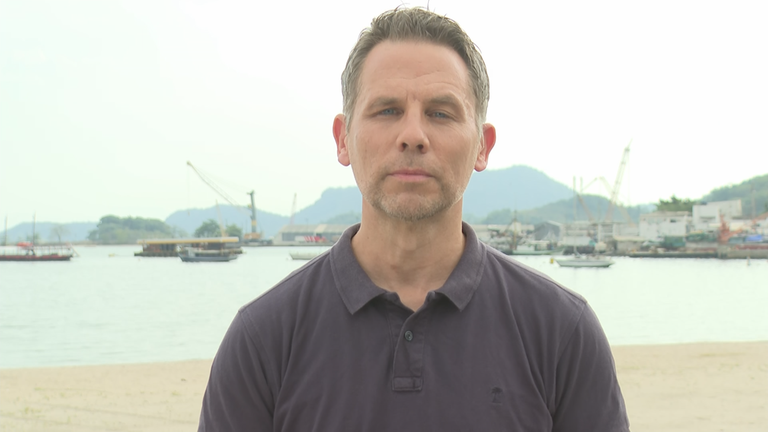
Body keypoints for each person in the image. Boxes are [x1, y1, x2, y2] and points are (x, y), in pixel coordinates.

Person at [198, 7, 629, 431]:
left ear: (482, 145)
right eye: (386, 110)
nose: (413, 136)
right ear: (342, 138)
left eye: (441, 113)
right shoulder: (263, 338)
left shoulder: (560, 331)